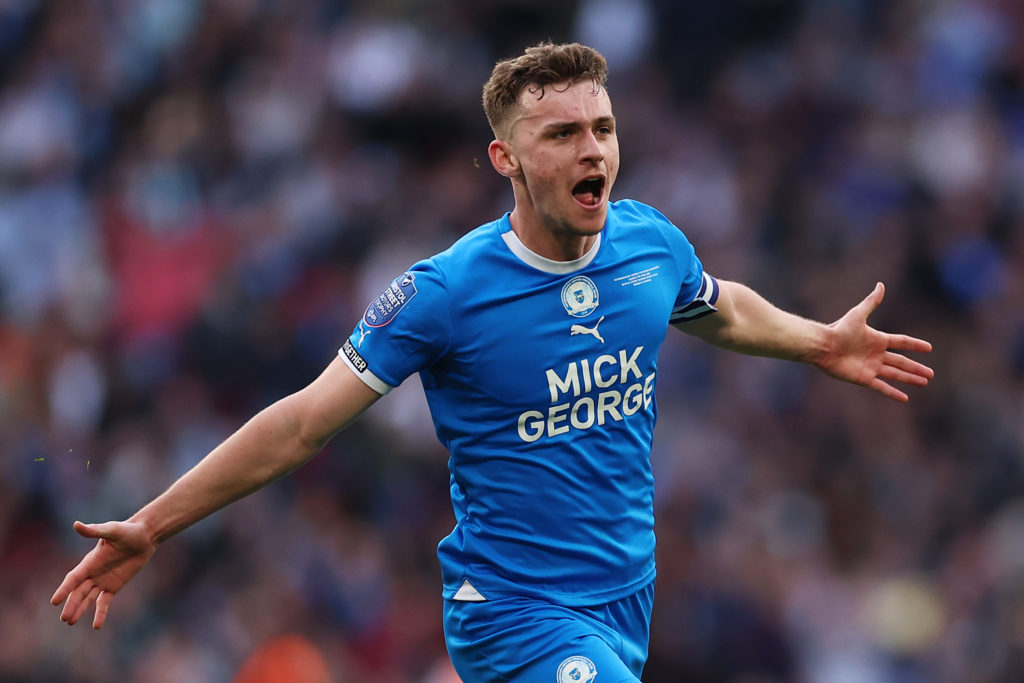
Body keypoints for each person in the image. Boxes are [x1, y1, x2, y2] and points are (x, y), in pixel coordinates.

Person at [51, 42, 934, 682]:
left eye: (603, 127)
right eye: (561, 135)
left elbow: (716, 305)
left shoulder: (648, 243)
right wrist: (155, 523)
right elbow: (302, 424)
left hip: (625, 599)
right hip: (511, 615)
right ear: (505, 159)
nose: (592, 150)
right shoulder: (444, 293)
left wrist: (818, 339)